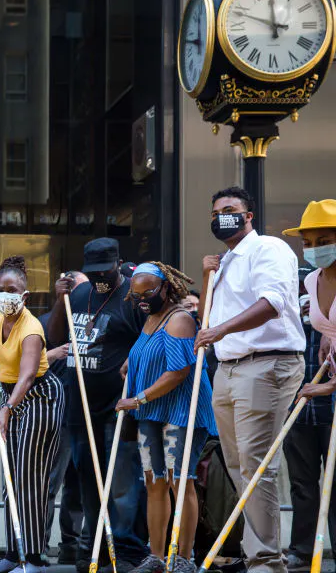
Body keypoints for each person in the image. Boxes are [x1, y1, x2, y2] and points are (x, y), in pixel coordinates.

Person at [192, 187, 305, 573]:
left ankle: (266, 562)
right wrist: (207, 276)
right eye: (215, 212)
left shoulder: (268, 248)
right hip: (228, 367)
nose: (221, 216)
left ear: (248, 216)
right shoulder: (223, 262)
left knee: (256, 465)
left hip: (266, 363)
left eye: (229, 209)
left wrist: (220, 331)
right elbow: (207, 318)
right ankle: (259, 553)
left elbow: (272, 304)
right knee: (239, 466)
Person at [46, 237, 149, 573]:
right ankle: (96, 548)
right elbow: (56, 337)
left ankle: (128, 551)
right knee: (89, 484)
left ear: (118, 264)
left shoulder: (132, 296)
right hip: (80, 407)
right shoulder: (79, 294)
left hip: (117, 407)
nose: (100, 277)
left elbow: (147, 341)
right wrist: (60, 300)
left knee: (121, 484)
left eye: (105, 270)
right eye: (93, 272)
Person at [113, 263, 216, 573]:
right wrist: (132, 364)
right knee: (154, 482)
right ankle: (156, 556)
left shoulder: (179, 319)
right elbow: (152, 355)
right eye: (136, 295)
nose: (142, 300)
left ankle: (184, 558)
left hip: (180, 413)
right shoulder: (151, 319)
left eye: (148, 293)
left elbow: (178, 371)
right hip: (152, 413)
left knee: (179, 482)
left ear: (166, 288)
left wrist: (138, 398)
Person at [0, 256, 64, 573]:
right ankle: (13, 553)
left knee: (30, 479)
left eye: (12, 290)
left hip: (38, 397)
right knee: (11, 479)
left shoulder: (32, 329)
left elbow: (26, 376)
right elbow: (4, 357)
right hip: (11, 396)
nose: (5, 295)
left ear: (24, 296)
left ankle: (35, 557)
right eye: (0, 289)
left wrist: (8, 409)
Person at [280, 199, 336, 571]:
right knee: (302, 482)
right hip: (305, 394)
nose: (314, 249)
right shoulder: (311, 281)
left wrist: (331, 387)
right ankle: (302, 549)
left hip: (328, 392)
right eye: (308, 242)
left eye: (324, 240)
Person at [40, 270, 87, 565]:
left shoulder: (93, 320)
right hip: (56, 414)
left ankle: (71, 544)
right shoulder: (47, 322)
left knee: (78, 485)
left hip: (85, 414)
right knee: (49, 483)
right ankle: (39, 545)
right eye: (77, 288)